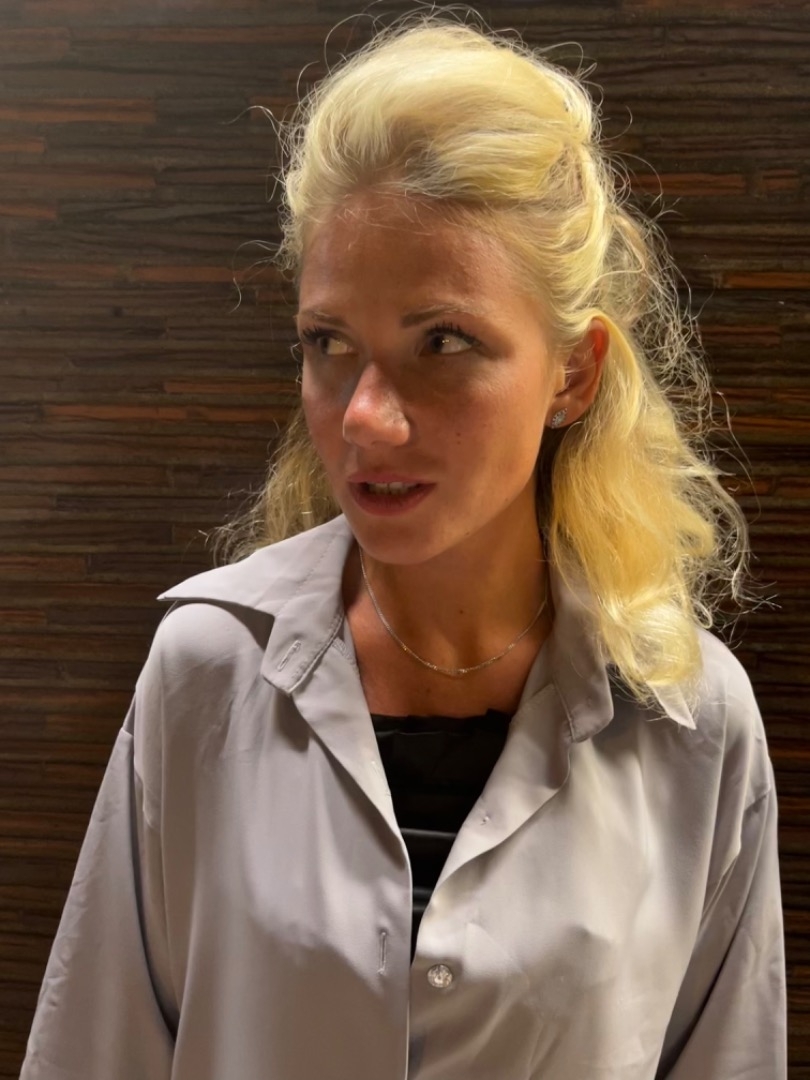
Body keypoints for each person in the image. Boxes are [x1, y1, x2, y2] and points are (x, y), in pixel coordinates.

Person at [20, 10, 786, 1080]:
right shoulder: (204, 674)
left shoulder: (694, 721)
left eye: (444, 341)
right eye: (330, 343)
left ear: (572, 373)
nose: (366, 418)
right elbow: (93, 1054)